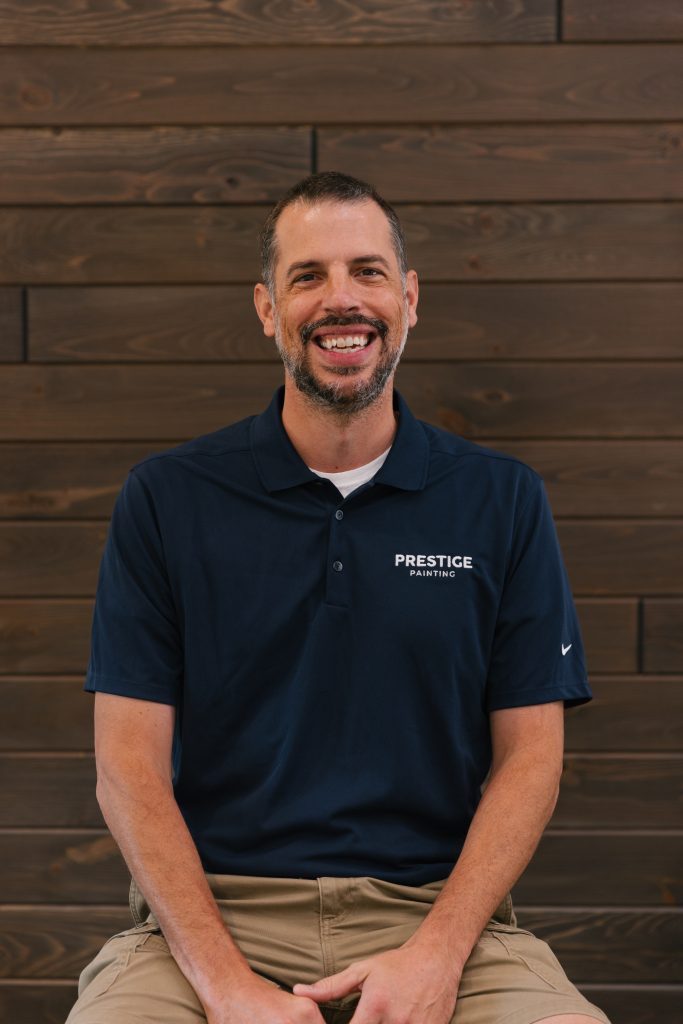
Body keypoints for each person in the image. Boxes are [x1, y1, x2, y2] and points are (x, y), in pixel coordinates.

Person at [66, 172, 610, 1024]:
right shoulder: (168, 499)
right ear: (267, 308)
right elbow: (126, 768)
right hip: (214, 918)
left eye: (366, 271)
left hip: (437, 916)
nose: (341, 299)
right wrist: (225, 985)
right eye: (307, 276)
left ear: (408, 298)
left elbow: (530, 760)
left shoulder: (500, 499)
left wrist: (437, 954)